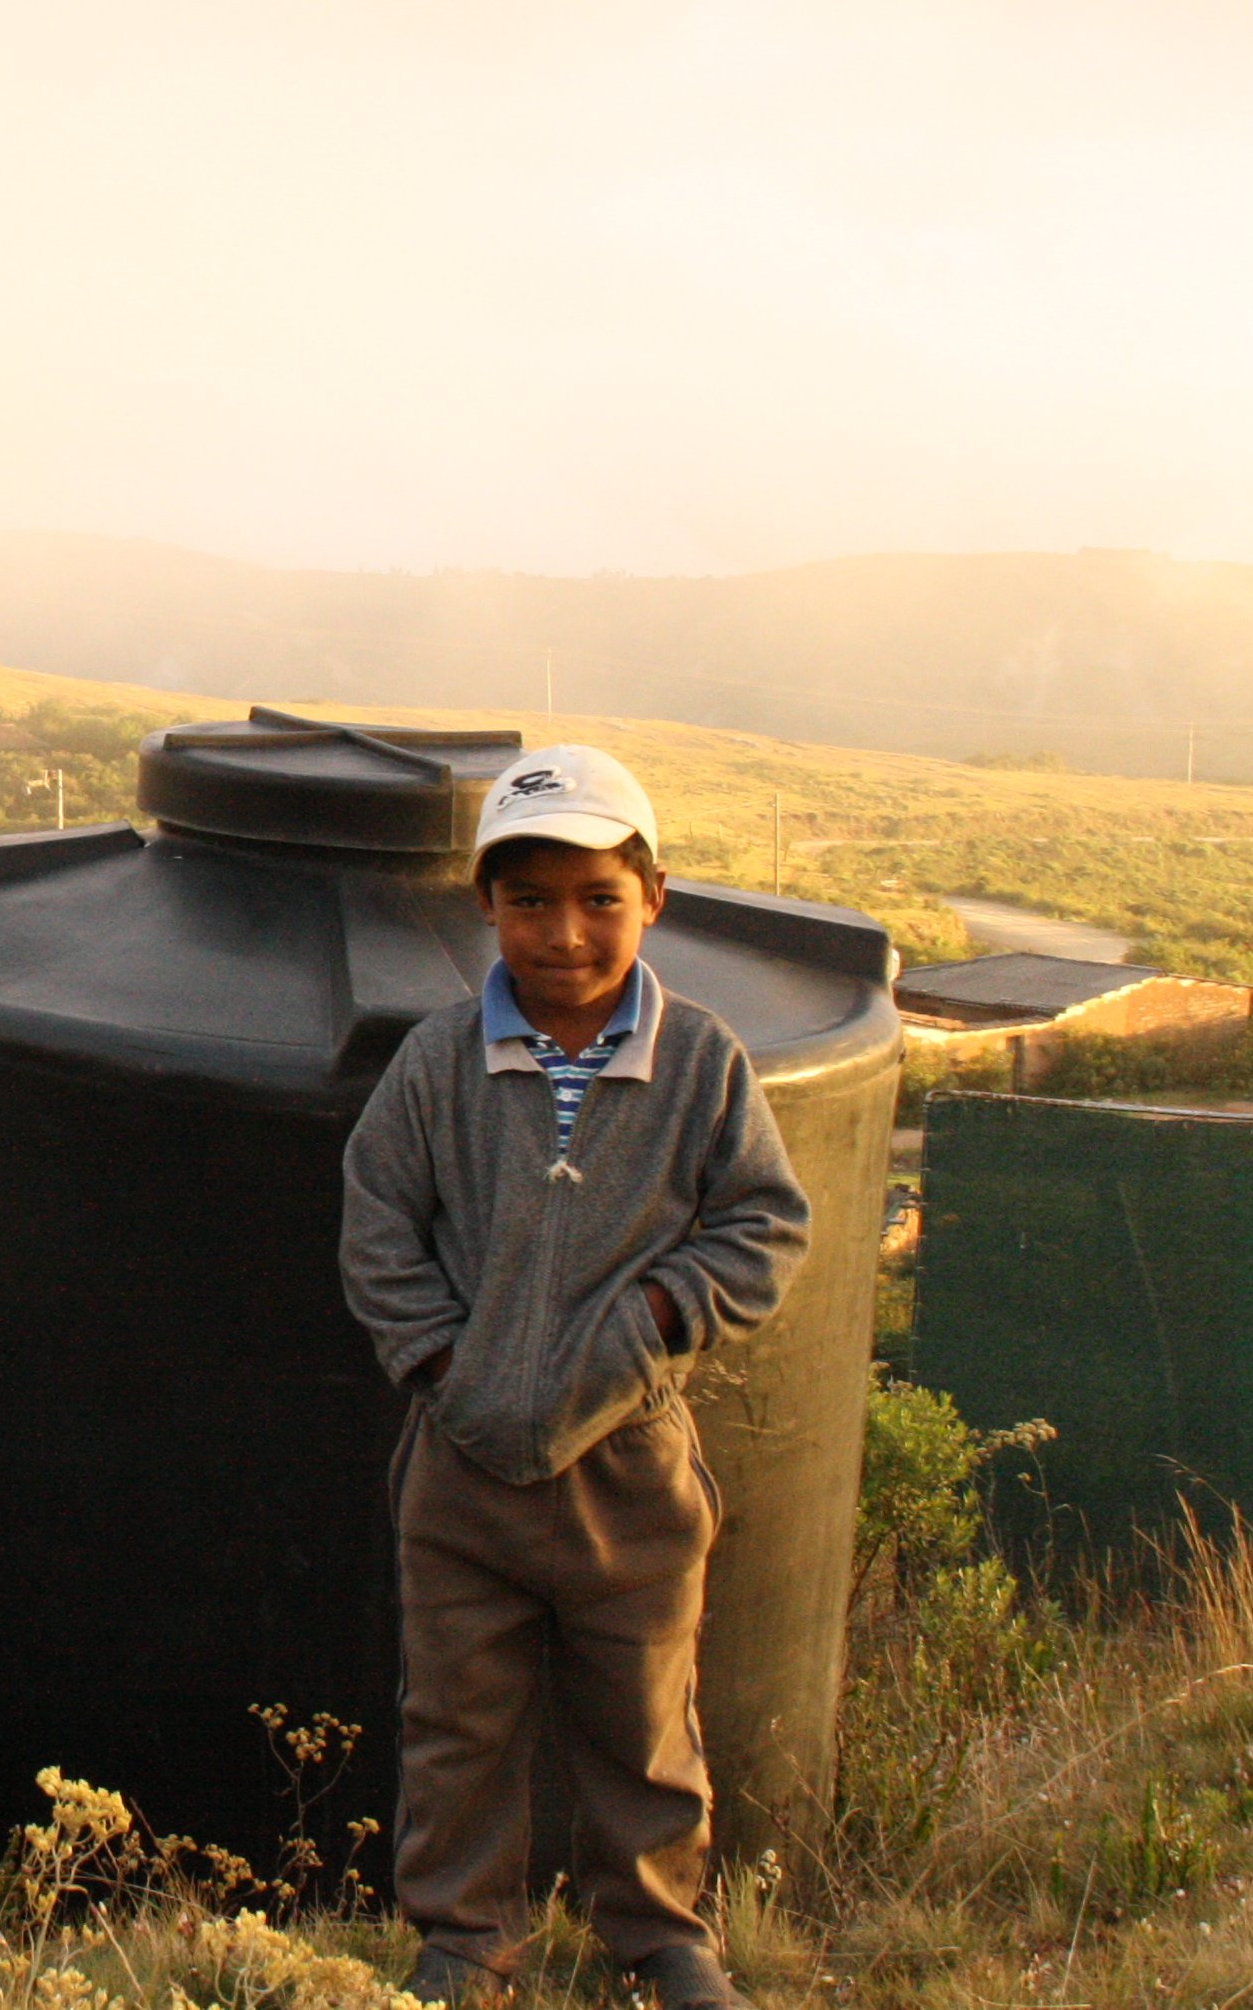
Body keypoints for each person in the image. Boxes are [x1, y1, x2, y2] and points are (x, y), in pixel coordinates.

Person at [340, 745, 811, 2010]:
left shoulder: (702, 1063)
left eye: (599, 898)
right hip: (462, 1475)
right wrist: (444, 1365)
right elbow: (378, 1225)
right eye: (531, 899)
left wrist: (655, 1317)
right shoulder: (438, 1064)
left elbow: (762, 1229)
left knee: (646, 1723)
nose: (565, 932)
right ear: (485, 905)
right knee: (457, 1725)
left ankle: (660, 1939)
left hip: (633, 1471)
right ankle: (464, 1940)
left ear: (653, 899)